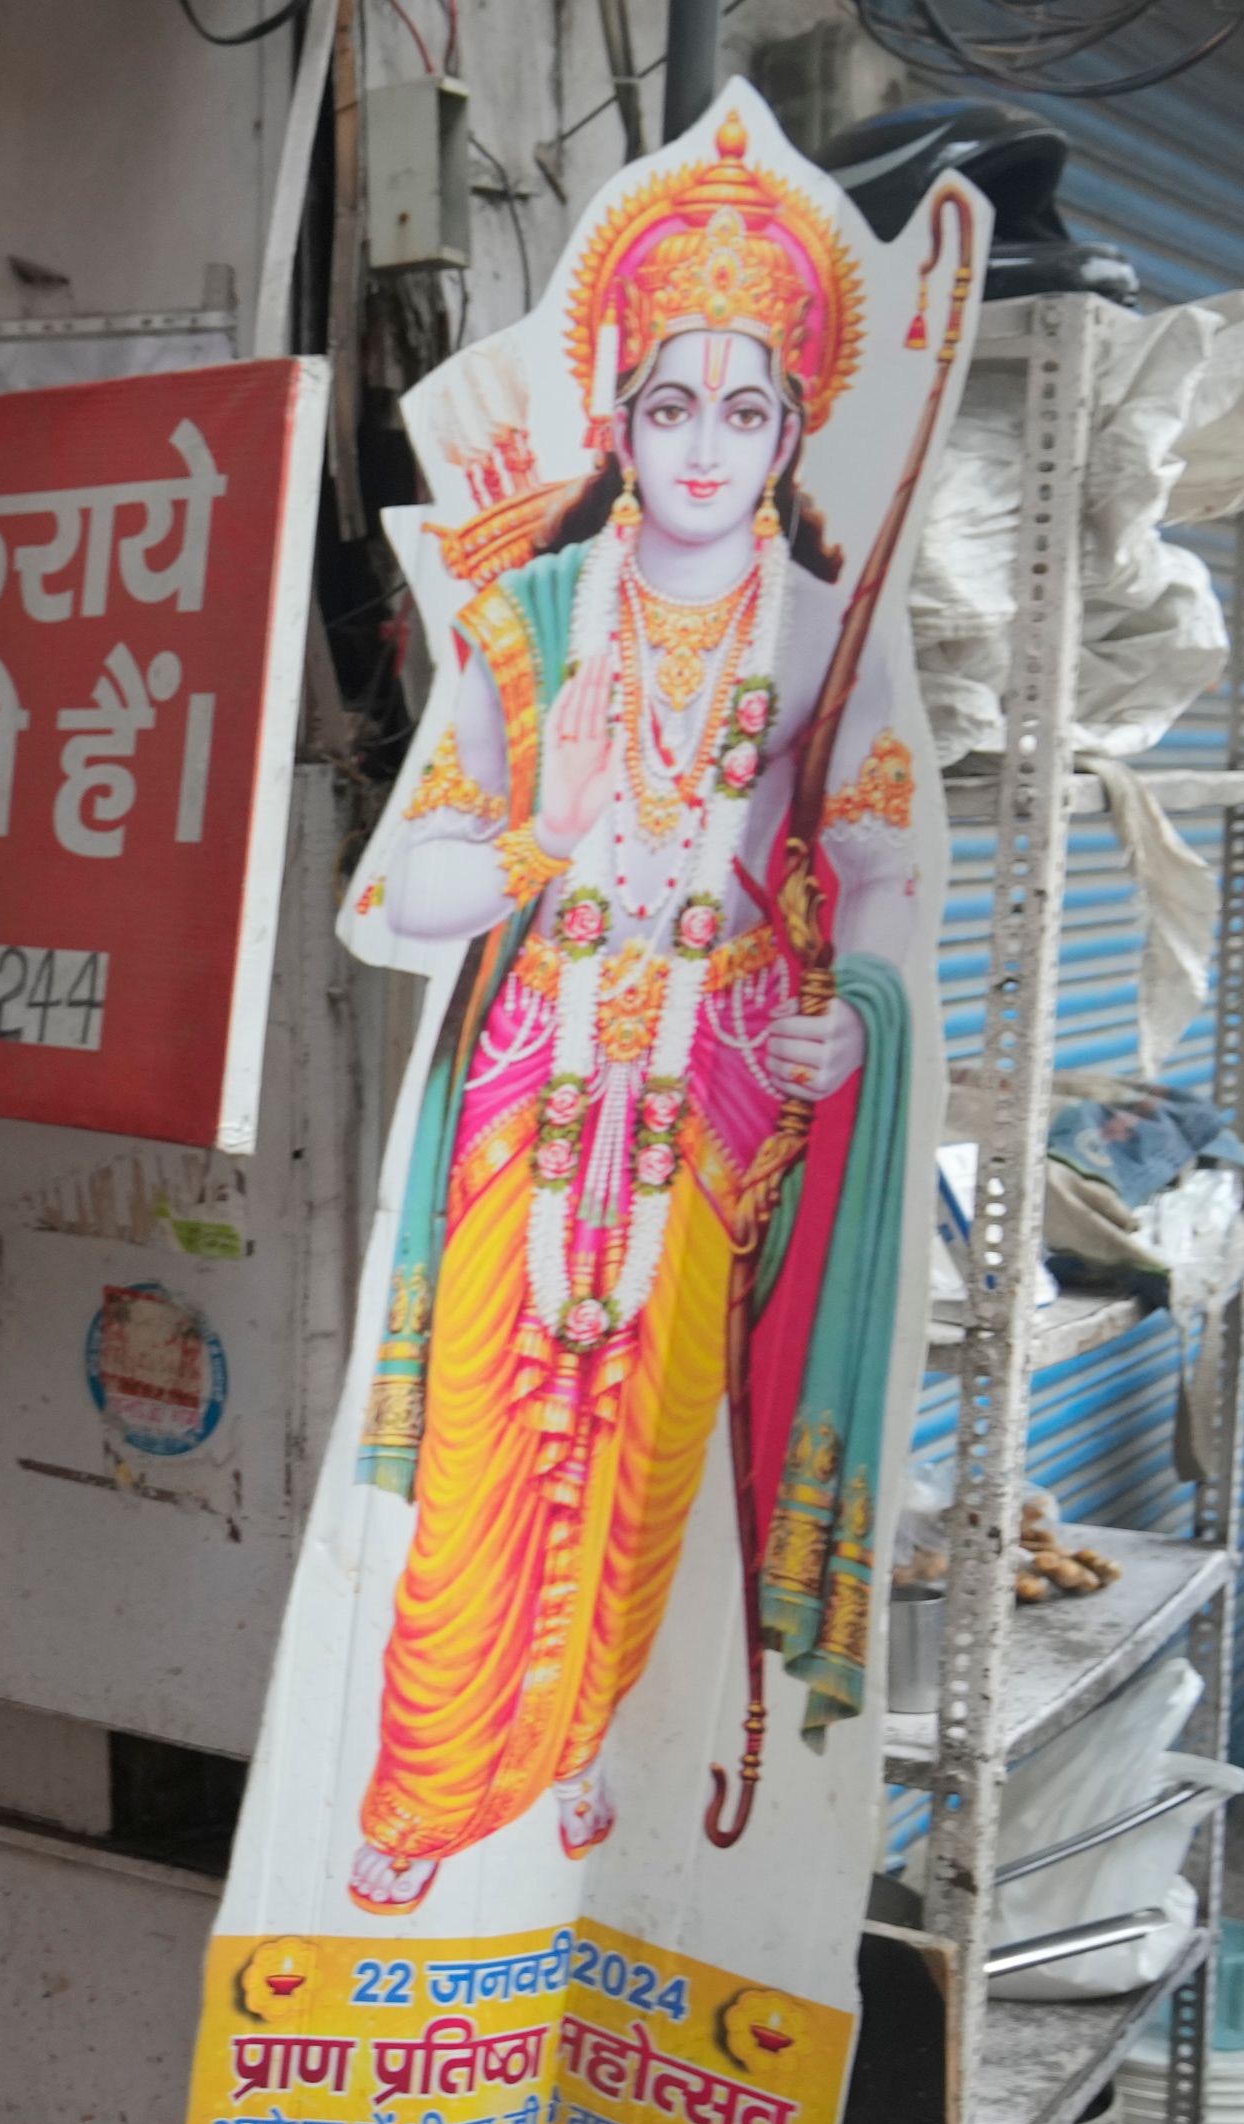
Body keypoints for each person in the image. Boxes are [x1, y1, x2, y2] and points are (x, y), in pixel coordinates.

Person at [344, 115, 926, 1913]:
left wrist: (859, 1033)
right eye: (670, 409)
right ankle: (432, 1793)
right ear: (613, 409)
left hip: (721, 1109)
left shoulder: (839, 643)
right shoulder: (527, 618)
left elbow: (888, 914)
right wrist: (538, 835)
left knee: (652, 1459)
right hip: (536, 1087)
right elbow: (397, 904)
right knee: (489, 1450)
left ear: (793, 426)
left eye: (744, 414)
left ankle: (581, 1752)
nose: (702, 449)